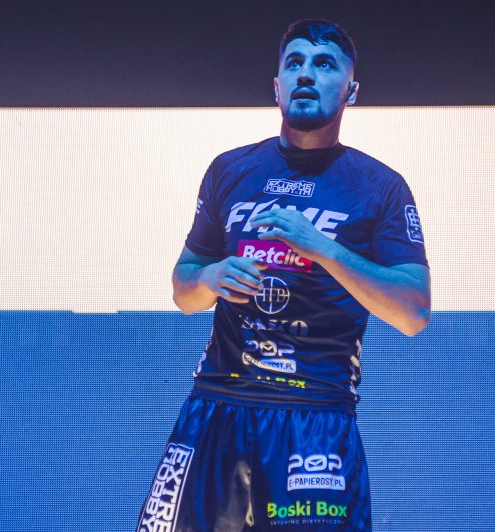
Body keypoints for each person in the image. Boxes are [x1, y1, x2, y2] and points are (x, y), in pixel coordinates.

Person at [138, 18, 430, 532]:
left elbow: (413, 312)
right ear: (277, 86)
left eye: (324, 64)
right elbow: (184, 290)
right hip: (217, 407)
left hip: (314, 419)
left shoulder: (381, 187)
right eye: (294, 63)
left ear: (351, 90)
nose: (306, 74)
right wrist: (210, 277)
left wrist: (323, 248)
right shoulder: (229, 170)